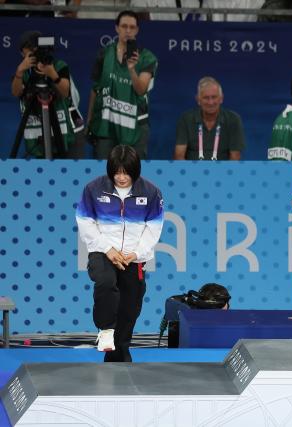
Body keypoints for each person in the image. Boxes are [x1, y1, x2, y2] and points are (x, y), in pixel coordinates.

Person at [76, 145, 164, 362]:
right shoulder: (94, 189)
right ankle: (105, 330)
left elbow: (154, 227)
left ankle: (119, 357)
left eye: (126, 172)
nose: (121, 177)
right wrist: (108, 249)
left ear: (135, 171)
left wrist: (136, 253)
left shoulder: (151, 192)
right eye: (117, 172)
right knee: (106, 282)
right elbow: (85, 222)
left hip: (133, 258)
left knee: (130, 305)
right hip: (102, 252)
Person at [87, 10, 157, 160]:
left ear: (137, 30)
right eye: (124, 26)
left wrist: (132, 69)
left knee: (134, 176)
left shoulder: (147, 58)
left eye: (132, 27)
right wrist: (89, 122)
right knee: (104, 175)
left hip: (136, 127)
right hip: (106, 126)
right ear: (116, 28)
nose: (128, 30)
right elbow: (95, 90)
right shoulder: (104, 54)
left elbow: (141, 90)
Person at [11, 30, 84, 159]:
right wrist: (19, 71)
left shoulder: (58, 66)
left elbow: (65, 91)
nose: (35, 57)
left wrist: (52, 74)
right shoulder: (24, 72)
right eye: (29, 54)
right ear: (23, 54)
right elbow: (16, 92)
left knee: (69, 171)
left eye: (36, 52)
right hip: (39, 134)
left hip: (66, 131)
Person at [174, 77, 245, 160]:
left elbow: (235, 157)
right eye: (206, 98)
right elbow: (179, 155)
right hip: (192, 171)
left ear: (221, 98)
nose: (210, 102)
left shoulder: (233, 119)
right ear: (198, 100)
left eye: (214, 97)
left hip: (223, 171)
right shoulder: (186, 119)